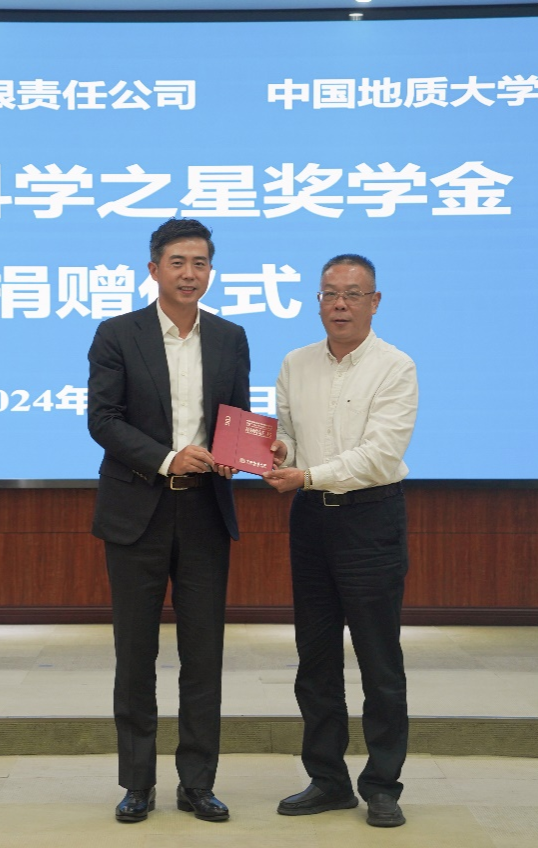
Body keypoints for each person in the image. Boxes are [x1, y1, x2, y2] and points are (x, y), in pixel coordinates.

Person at [87, 218, 250, 824]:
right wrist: (166, 458)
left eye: (200, 262)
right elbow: (103, 420)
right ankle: (137, 784)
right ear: (154, 269)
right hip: (138, 511)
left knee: (203, 655)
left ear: (211, 271)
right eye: (178, 262)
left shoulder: (230, 337)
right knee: (135, 654)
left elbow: (235, 418)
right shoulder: (117, 334)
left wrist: (240, 454)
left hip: (206, 510)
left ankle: (197, 783)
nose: (189, 273)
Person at [262, 253, 418, 829]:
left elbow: (379, 455)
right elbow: (288, 438)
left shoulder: (395, 367)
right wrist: (278, 453)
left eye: (353, 294)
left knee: (379, 660)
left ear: (375, 302)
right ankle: (328, 780)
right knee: (316, 659)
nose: (340, 304)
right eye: (330, 293)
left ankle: (382, 785)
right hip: (310, 522)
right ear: (318, 301)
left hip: (370, 520)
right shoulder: (295, 363)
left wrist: (306, 474)